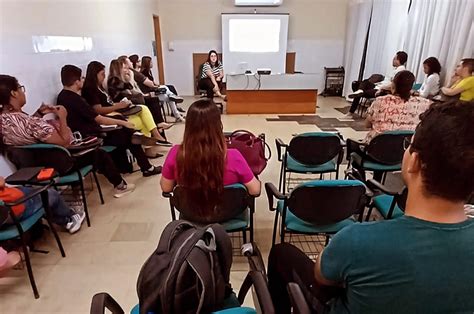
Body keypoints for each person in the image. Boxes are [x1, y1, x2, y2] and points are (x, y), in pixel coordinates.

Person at [268, 100, 474, 313]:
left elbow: (322, 275)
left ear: (414, 161)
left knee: (282, 254)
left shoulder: (359, 240)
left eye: (408, 145)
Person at [0, 74, 136, 198]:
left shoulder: (3, 121)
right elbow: (64, 142)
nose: (23, 91)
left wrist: (40, 114)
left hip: (31, 168)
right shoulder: (32, 123)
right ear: (13, 93)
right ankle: (120, 186)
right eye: (20, 88)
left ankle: (79, 193)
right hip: (57, 165)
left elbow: (25, 131)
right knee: (99, 154)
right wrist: (63, 118)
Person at [57, 65, 162, 178]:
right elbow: (98, 118)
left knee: (125, 129)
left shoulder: (62, 97)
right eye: (81, 78)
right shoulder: (76, 99)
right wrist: (124, 123)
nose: (83, 80)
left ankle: (140, 156)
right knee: (127, 133)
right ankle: (145, 166)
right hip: (90, 135)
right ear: (76, 82)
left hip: (85, 131)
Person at [160, 99, 260, 218]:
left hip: (191, 214)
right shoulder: (233, 156)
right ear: (218, 126)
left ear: (189, 126)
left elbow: (166, 188)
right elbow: (255, 190)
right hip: (228, 214)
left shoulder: (176, 153)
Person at [82, 61, 169, 146]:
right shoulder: (91, 89)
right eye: (102, 74)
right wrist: (118, 106)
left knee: (144, 109)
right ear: (94, 74)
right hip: (110, 114)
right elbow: (98, 110)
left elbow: (128, 90)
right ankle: (154, 138)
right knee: (142, 118)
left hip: (116, 109)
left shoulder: (99, 87)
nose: (104, 76)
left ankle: (153, 140)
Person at [0, 176, 85, 233]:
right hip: (16, 207)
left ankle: (64, 217)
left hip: (13, 195)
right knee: (51, 194)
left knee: (33, 190)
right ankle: (69, 219)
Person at [364, 70, 431, 142]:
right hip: (405, 148)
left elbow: (367, 124)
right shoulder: (424, 104)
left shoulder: (380, 101)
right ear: (411, 87)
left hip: (377, 148)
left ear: (393, 85)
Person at [119, 56, 185, 122]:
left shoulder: (136, 73)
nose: (140, 62)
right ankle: (176, 113)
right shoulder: (136, 74)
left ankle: (176, 112)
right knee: (168, 96)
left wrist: (156, 86)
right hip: (145, 94)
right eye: (138, 61)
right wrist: (148, 91)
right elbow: (149, 84)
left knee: (168, 90)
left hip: (144, 93)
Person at [345, 51, 408, 117]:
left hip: (382, 90)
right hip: (378, 86)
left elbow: (393, 85)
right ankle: (360, 91)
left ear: (398, 60)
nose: (393, 60)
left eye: (395, 59)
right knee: (361, 83)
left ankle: (353, 108)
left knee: (360, 91)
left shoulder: (400, 72)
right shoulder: (396, 69)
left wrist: (381, 88)